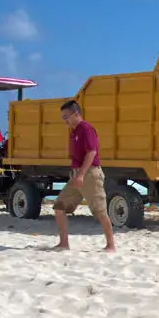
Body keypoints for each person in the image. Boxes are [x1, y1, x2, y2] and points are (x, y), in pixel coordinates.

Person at [51, 99, 115, 252]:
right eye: (63, 118)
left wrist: (80, 175)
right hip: (76, 175)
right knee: (59, 207)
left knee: (100, 212)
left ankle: (111, 245)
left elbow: (91, 153)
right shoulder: (74, 131)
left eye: (66, 117)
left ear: (76, 114)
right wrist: (75, 174)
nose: (64, 120)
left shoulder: (87, 129)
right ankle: (64, 243)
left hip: (90, 174)